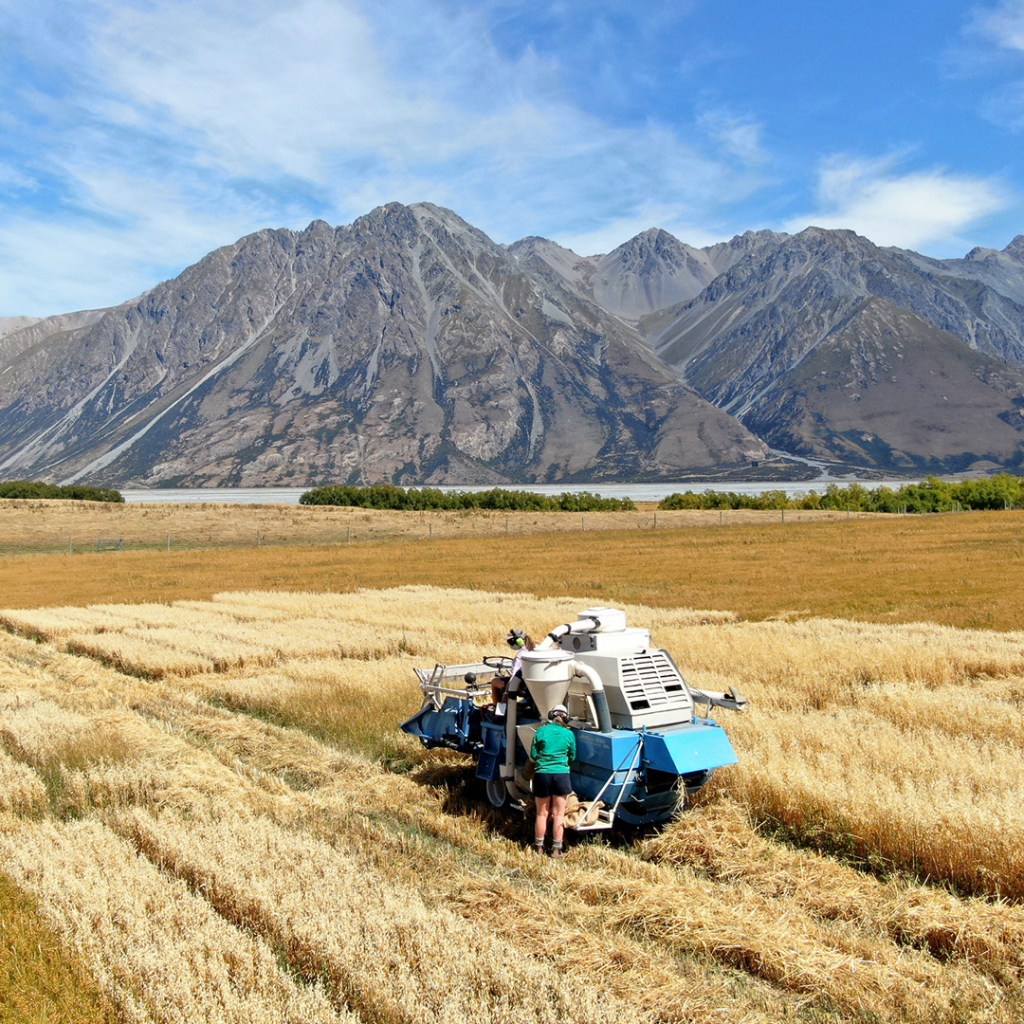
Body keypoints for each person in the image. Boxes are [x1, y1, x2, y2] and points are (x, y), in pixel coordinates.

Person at [530, 703, 575, 858]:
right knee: (559, 814)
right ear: (566, 718)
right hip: (561, 775)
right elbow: (572, 756)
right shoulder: (569, 735)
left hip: (542, 774)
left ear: (551, 716)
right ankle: (556, 850)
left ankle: (539, 847)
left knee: (542, 814)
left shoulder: (541, 731)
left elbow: (534, 755)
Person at [491, 628, 534, 714]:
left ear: (518, 641)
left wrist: (506, 693)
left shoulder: (520, 655)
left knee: (494, 682)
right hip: (531, 685)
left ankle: (498, 710)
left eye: (510, 641)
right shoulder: (533, 649)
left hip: (520, 686)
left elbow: (514, 676)